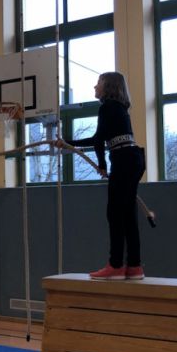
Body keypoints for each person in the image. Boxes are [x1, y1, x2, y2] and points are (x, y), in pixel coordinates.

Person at [61, 72, 146, 280]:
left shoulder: (107, 107)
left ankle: (116, 265)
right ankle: (134, 266)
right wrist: (71, 145)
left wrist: (101, 164)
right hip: (133, 159)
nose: (95, 86)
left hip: (124, 160)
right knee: (128, 214)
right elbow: (101, 139)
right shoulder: (120, 108)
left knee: (115, 214)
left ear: (108, 86)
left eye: (98, 83)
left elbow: (98, 140)